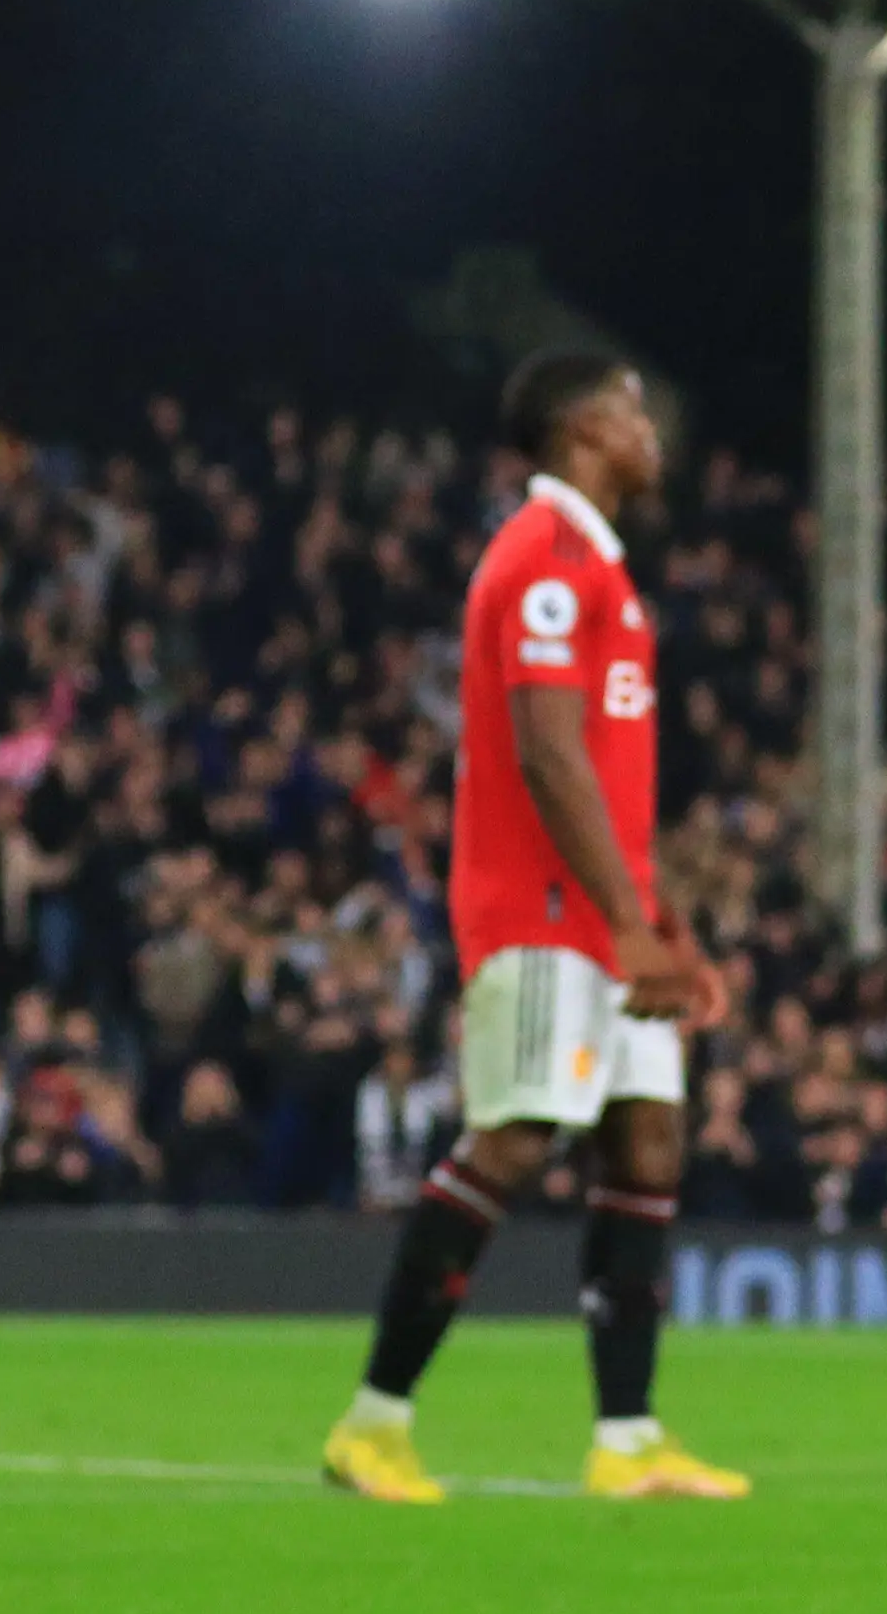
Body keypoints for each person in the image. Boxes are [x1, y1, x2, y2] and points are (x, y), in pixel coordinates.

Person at [318, 352, 747, 1506]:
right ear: (583, 427)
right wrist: (622, 918)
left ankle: (628, 1437)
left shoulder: (598, 565)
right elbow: (548, 754)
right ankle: (374, 1424)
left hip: (607, 916)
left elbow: (606, 774)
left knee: (645, 1141)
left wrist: (665, 927)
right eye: (634, 407)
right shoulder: (544, 561)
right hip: (546, 911)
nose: (653, 428)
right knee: (514, 1138)